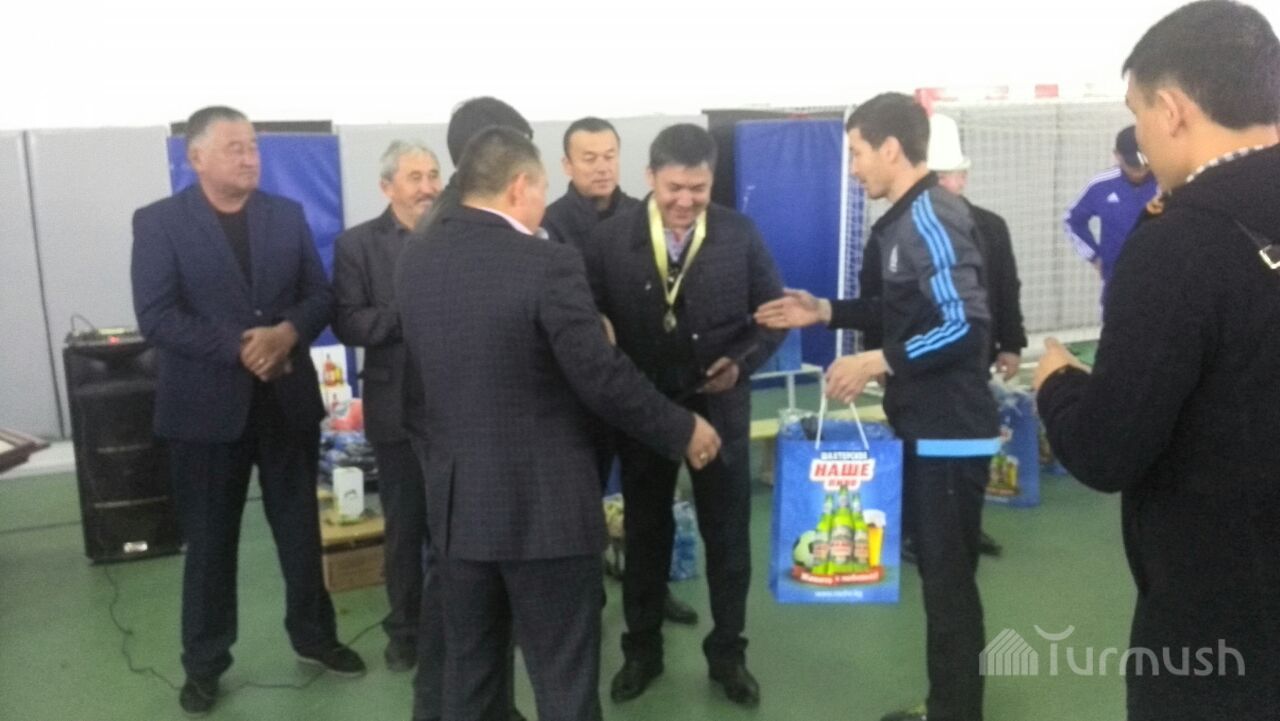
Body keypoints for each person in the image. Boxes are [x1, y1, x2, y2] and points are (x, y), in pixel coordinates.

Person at [395, 125, 722, 721]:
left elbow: (417, 393)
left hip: (458, 512)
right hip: (544, 516)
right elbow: (601, 377)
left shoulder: (417, 257)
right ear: (520, 186)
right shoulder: (547, 263)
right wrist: (682, 428)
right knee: (564, 684)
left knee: (471, 681)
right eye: (543, 189)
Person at [1034, 2, 1280, 719]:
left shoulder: (1179, 242)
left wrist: (1058, 385)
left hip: (1223, 620)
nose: (1138, 134)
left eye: (1137, 112)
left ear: (1171, 111)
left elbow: (1107, 450)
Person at [756, 93, 998, 721]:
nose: (854, 167)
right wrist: (825, 311)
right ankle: (947, 704)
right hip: (925, 426)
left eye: (858, 152)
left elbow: (966, 326)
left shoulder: (932, 216)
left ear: (892, 149)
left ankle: (956, 713)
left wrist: (879, 361)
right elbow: (902, 313)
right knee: (939, 581)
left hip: (950, 434)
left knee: (948, 586)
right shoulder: (903, 221)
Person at [131, 106, 364, 717]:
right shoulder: (160, 223)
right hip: (205, 413)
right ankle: (205, 664)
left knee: (300, 531)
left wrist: (286, 334)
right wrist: (241, 348)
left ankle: (315, 637)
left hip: (284, 403)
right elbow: (157, 316)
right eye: (234, 147)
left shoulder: (284, 215)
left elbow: (319, 295)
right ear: (196, 158)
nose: (249, 157)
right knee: (211, 544)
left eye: (253, 146)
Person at [585, 123, 784, 708]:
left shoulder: (739, 234)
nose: (685, 201)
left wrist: (741, 364)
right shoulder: (610, 240)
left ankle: (728, 655)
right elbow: (588, 314)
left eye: (698, 189)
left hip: (720, 408)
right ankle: (642, 652)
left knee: (729, 538)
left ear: (712, 180)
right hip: (644, 411)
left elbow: (771, 316)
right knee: (646, 534)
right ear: (650, 177)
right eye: (674, 188)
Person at [402, 96, 532, 721]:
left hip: (454, 439)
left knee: (470, 598)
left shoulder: (445, 226)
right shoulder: (454, 233)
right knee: (459, 600)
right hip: (465, 444)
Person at [544, 115, 700, 627]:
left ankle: (652, 594)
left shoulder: (645, 214)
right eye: (589, 158)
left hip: (641, 385)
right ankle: (585, 599)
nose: (602, 167)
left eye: (609, 156)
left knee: (650, 502)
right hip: (581, 392)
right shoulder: (549, 224)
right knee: (579, 503)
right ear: (566, 164)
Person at [332, 140, 442, 672]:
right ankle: (406, 632)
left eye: (433, 175)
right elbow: (349, 321)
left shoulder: (457, 234)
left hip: (456, 407)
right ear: (386, 186)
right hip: (395, 408)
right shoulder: (357, 246)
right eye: (415, 177)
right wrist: (408, 315)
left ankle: (464, 624)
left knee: (459, 526)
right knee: (405, 527)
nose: (427, 187)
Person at [930, 112, 1029, 559]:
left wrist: (1012, 343)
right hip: (919, 364)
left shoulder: (991, 227)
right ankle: (919, 532)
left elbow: (1006, 287)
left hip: (974, 358)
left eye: (947, 176)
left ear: (963, 178)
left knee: (974, 447)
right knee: (924, 453)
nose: (941, 185)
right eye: (933, 177)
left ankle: (968, 527)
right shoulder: (897, 230)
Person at [1062, 124, 1158, 298]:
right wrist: (1093, 256)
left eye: (1144, 164)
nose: (1140, 170)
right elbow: (1071, 220)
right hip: (1116, 283)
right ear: (1117, 156)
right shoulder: (1101, 185)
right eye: (1133, 165)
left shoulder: (1168, 182)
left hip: (1161, 280)